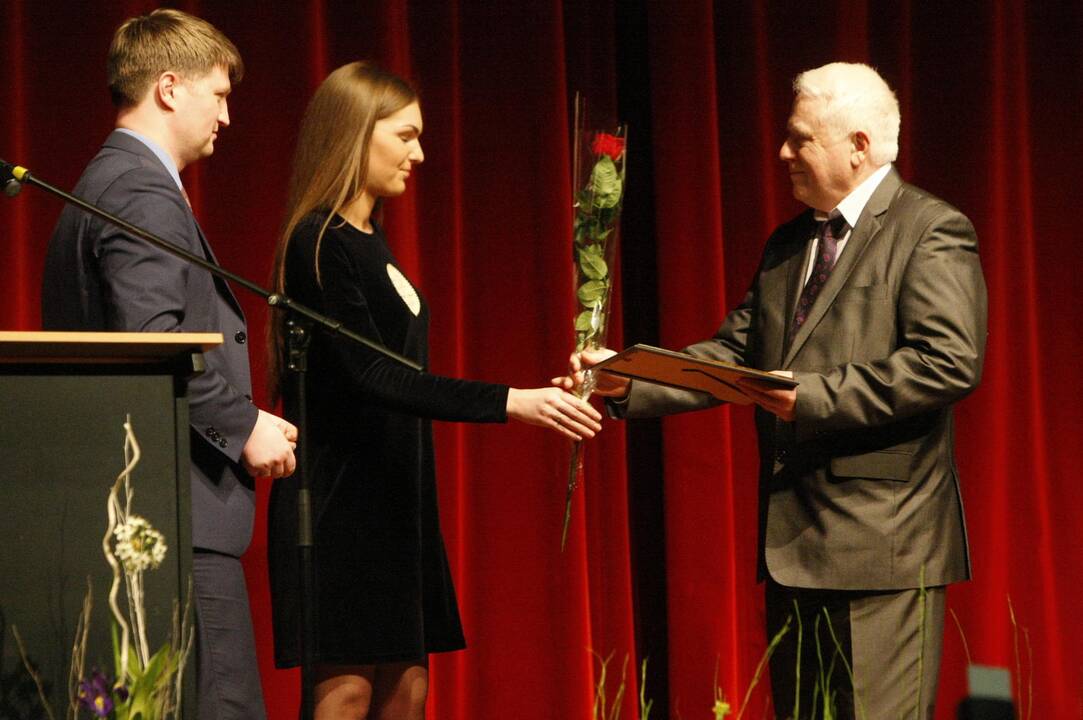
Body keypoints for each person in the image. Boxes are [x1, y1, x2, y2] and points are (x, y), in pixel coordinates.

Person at [563, 62, 987, 719]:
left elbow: (948, 362)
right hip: (795, 548)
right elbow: (735, 354)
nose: (782, 152)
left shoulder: (928, 230)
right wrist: (628, 377)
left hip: (884, 550)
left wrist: (814, 394)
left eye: (800, 139)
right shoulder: (790, 243)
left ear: (858, 145)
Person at [265, 61, 602, 720]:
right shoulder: (319, 241)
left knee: (408, 691)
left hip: (396, 500)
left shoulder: (370, 239)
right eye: (405, 135)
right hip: (339, 505)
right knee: (349, 691)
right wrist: (513, 402)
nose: (419, 154)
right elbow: (373, 375)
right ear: (358, 134)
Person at [41, 9, 297, 719]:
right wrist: (243, 425)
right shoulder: (140, 188)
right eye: (218, 94)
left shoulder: (111, 180)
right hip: (172, 514)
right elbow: (152, 337)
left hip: (147, 515)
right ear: (169, 87)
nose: (227, 114)